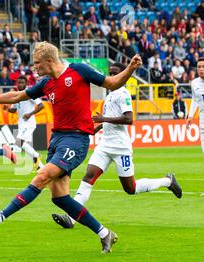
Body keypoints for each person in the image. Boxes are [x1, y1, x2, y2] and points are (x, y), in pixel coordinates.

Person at [0, 42, 143, 253]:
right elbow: (16, 96)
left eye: (37, 63)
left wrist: (130, 69)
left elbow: (112, 83)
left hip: (76, 141)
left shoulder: (79, 70)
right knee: (60, 198)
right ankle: (105, 234)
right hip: (57, 140)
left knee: (41, 177)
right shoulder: (46, 83)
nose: (35, 67)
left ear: (49, 61)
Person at [52, 63, 183, 229]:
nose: (112, 76)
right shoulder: (110, 95)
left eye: (115, 73)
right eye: (110, 73)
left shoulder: (123, 93)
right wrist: (94, 129)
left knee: (131, 188)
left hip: (121, 147)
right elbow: (108, 119)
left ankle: (167, 181)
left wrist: (103, 120)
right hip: (105, 145)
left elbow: (129, 119)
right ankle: (71, 218)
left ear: (122, 75)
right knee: (88, 177)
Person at [4, 76, 45, 171]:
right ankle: (40, 168)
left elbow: (41, 105)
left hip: (29, 123)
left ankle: (37, 155)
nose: (20, 84)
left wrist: (30, 114)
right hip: (21, 124)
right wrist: (8, 109)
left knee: (19, 142)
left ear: (26, 84)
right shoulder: (17, 95)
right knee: (25, 146)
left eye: (22, 82)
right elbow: (14, 109)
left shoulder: (30, 93)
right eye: (18, 82)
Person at [187, 57, 204, 154]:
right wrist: (190, 116)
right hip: (202, 123)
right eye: (199, 67)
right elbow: (194, 99)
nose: (201, 69)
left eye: (203, 67)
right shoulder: (194, 83)